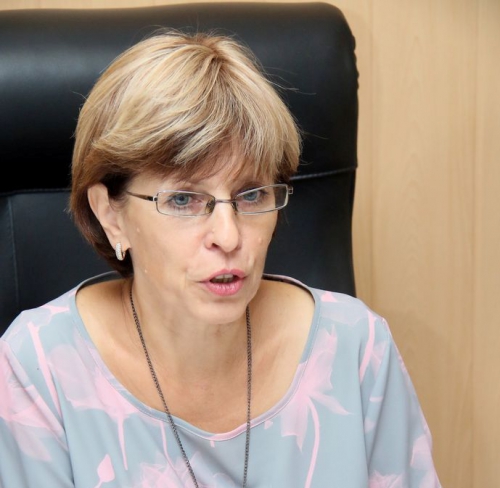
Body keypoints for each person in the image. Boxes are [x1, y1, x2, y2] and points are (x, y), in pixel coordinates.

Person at [0, 30, 442, 488]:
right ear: (110, 214)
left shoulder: (357, 349)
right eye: (183, 200)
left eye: (251, 194)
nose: (229, 237)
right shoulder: (38, 371)